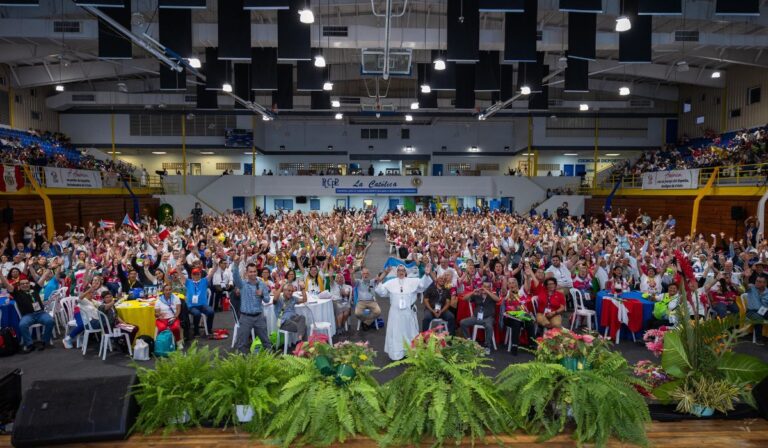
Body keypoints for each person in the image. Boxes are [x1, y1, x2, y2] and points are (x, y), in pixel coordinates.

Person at [375, 263, 433, 361]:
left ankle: (410, 352)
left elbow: (423, 285)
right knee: (396, 333)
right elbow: (382, 292)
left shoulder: (412, 281)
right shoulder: (391, 282)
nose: (401, 272)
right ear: (396, 272)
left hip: (408, 313)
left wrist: (427, 274)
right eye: (399, 270)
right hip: (395, 314)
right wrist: (380, 280)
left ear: (405, 272)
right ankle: (397, 354)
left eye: (403, 270)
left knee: (409, 332)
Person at [1, 273, 54, 353]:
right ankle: (30, 344)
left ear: (29, 284)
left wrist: (48, 270)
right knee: (22, 325)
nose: (25, 285)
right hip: (28, 315)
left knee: (50, 321)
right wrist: (1, 275)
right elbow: (7, 284)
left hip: (41, 313)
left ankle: (45, 342)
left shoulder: (35, 289)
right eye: (23, 284)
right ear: (19, 286)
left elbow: (42, 278)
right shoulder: (17, 293)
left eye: (27, 283)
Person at [232, 253, 273, 353]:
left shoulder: (262, 284)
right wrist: (236, 265)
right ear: (246, 273)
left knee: (266, 342)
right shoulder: (242, 284)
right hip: (246, 317)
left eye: (254, 272)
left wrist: (262, 294)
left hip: (259, 317)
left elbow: (267, 300)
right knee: (242, 343)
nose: (253, 274)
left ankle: (271, 363)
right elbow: (235, 276)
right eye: (250, 272)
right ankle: (244, 364)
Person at [460, 281, 501, 355]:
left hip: (488, 318)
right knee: (463, 322)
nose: (486, 288)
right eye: (485, 286)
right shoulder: (477, 295)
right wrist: (473, 292)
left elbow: (498, 300)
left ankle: (487, 346)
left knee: (489, 326)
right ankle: (469, 341)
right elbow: (464, 299)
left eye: (488, 287)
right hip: (476, 317)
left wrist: (488, 292)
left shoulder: (492, 295)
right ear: (482, 286)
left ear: (490, 288)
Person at [186, 267, 215, 338]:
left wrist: (215, 264)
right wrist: (178, 265)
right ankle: (196, 331)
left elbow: (212, 273)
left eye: (198, 274)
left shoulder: (204, 281)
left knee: (211, 312)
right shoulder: (188, 282)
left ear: (200, 275)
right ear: (191, 275)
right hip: (191, 306)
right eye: (194, 274)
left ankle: (208, 329)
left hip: (202, 305)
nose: (196, 276)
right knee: (197, 314)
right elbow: (180, 274)